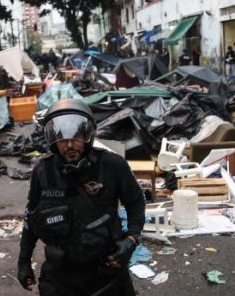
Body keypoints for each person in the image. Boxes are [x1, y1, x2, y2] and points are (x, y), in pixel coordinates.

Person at [17, 99, 146, 296]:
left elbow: (136, 202)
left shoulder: (112, 165)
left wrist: (131, 238)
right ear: (52, 139)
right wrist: (23, 261)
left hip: (107, 271)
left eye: (76, 137)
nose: (70, 145)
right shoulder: (43, 172)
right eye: (62, 139)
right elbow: (31, 218)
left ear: (88, 135)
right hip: (62, 275)